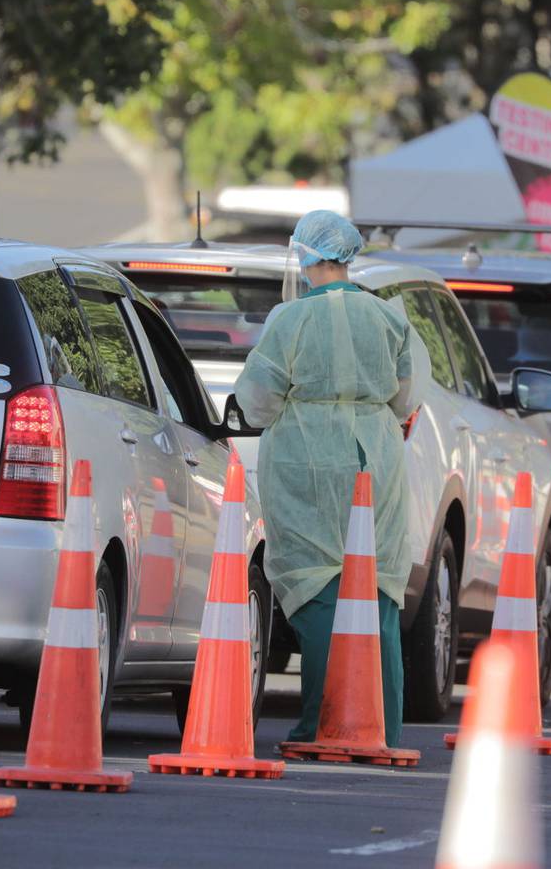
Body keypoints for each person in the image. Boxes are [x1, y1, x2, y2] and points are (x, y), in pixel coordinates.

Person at [233, 209, 418, 746]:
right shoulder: (388, 317)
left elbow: (257, 400)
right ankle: (381, 726)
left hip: (305, 461)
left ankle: (322, 721)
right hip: (376, 458)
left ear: (307, 254)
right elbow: (407, 396)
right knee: (377, 585)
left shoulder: (288, 320)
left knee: (316, 588)